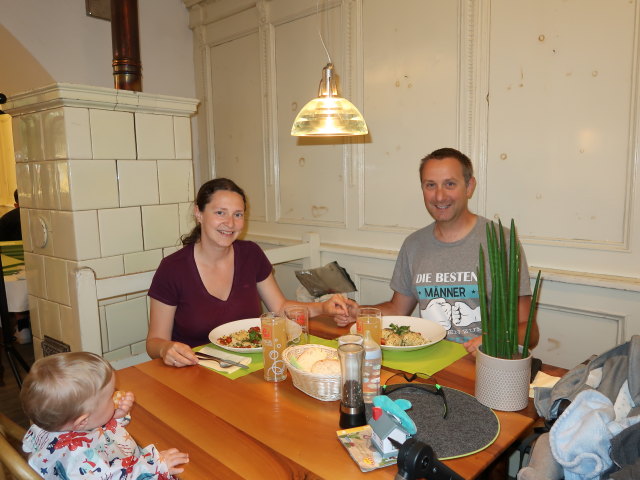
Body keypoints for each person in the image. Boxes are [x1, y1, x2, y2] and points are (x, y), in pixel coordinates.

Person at [338, 147, 538, 354]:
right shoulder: (413, 244)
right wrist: (359, 313)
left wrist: (494, 340)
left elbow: (530, 331)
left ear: (469, 187)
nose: (440, 196)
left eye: (450, 184)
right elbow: (398, 309)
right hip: (430, 364)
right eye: (430, 185)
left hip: (483, 363)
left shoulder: (500, 241)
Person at [146, 178, 356, 367]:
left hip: (249, 366)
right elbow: (154, 342)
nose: (230, 223)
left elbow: (281, 308)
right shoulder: (173, 269)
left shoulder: (251, 254)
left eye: (237, 215)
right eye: (220, 213)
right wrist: (166, 349)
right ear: (199, 213)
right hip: (196, 369)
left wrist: (324, 307)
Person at [20, 352, 189, 479]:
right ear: (82, 420)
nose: (116, 395)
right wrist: (156, 466)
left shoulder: (58, 423)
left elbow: (95, 428)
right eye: (110, 397)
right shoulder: (80, 459)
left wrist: (115, 415)